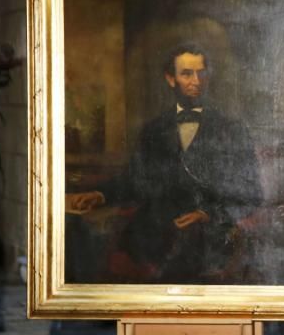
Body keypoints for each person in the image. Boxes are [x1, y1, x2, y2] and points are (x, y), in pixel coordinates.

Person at [66, 43, 262, 283]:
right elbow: (134, 180)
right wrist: (99, 195)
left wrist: (206, 213)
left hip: (209, 239)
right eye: (187, 73)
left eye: (201, 72)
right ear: (171, 79)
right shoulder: (154, 129)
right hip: (154, 236)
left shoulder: (232, 130)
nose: (196, 81)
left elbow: (252, 192)